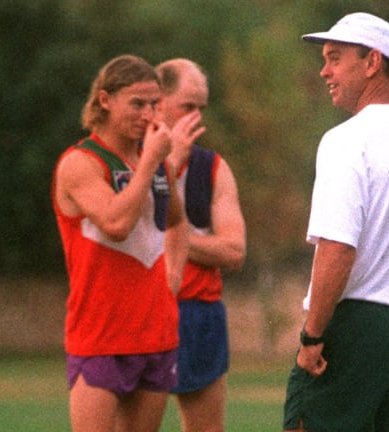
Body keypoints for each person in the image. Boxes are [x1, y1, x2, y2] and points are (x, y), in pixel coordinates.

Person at [283, 12, 389, 432]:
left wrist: (312, 336)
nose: (324, 70)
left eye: (335, 57)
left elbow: (338, 247)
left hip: (359, 325)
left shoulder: (347, 140)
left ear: (372, 62)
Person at [52, 54, 204, 431]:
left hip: (155, 332)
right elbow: (116, 223)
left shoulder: (152, 163)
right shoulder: (81, 162)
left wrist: (172, 277)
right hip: (100, 335)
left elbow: (176, 222)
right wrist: (152, 161)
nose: (148, 114)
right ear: (105, 100)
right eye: (137, 103)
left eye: (154, 104)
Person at [154, 58, 246, 432]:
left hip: (198, 313)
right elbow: (119, 229)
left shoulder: (213, 168)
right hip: (142, 310)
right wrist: (168, 164)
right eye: (187, 106)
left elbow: (234, 252)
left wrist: (171, 238)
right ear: (157, 102)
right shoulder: (128, 160)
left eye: (201, 108)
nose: (196, 117)